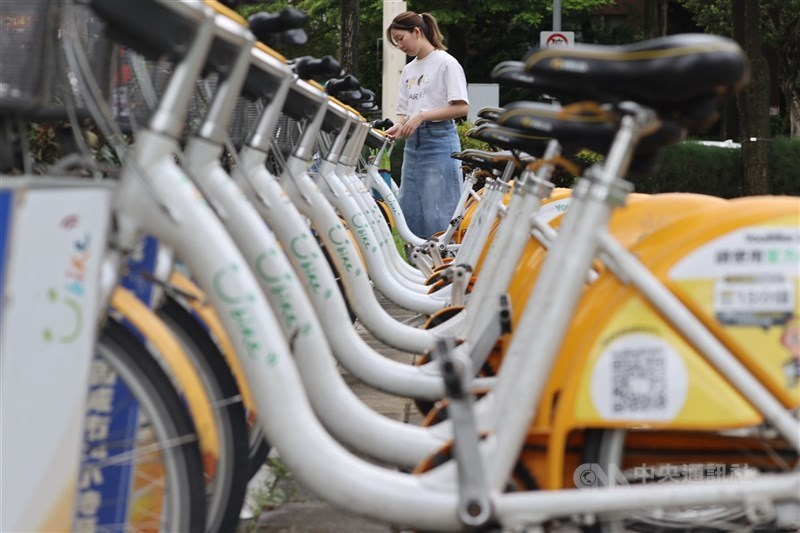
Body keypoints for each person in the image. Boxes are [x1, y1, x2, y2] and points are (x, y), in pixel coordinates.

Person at [384, 11, 469, 240]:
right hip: (413, 145)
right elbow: (404, 112)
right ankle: (417, 270)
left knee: (438, 215)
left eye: (400, 38)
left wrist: (422, 116)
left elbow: (462, 108)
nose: (399, 45)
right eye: (395, 41)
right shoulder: (409, 70)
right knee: (409, 212)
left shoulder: (446, 63)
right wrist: (399, 126)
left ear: (417, 32)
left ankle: (442, 268)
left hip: (439, 141)